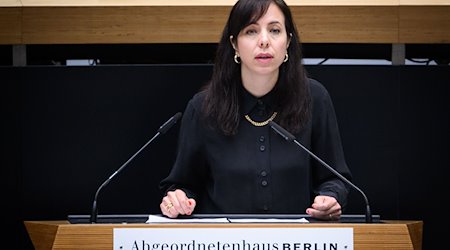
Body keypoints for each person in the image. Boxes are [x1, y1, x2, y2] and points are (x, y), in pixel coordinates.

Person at [159, 0, 352, 221]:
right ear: (234, 44)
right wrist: (177, 199)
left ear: (288, 41)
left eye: (275, 30)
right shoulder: (203, 107)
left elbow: (336, 179)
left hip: (296, 242)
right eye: (251, 31)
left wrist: (330, 197)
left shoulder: (314, 98)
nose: (264, 41)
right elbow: (183, 185)